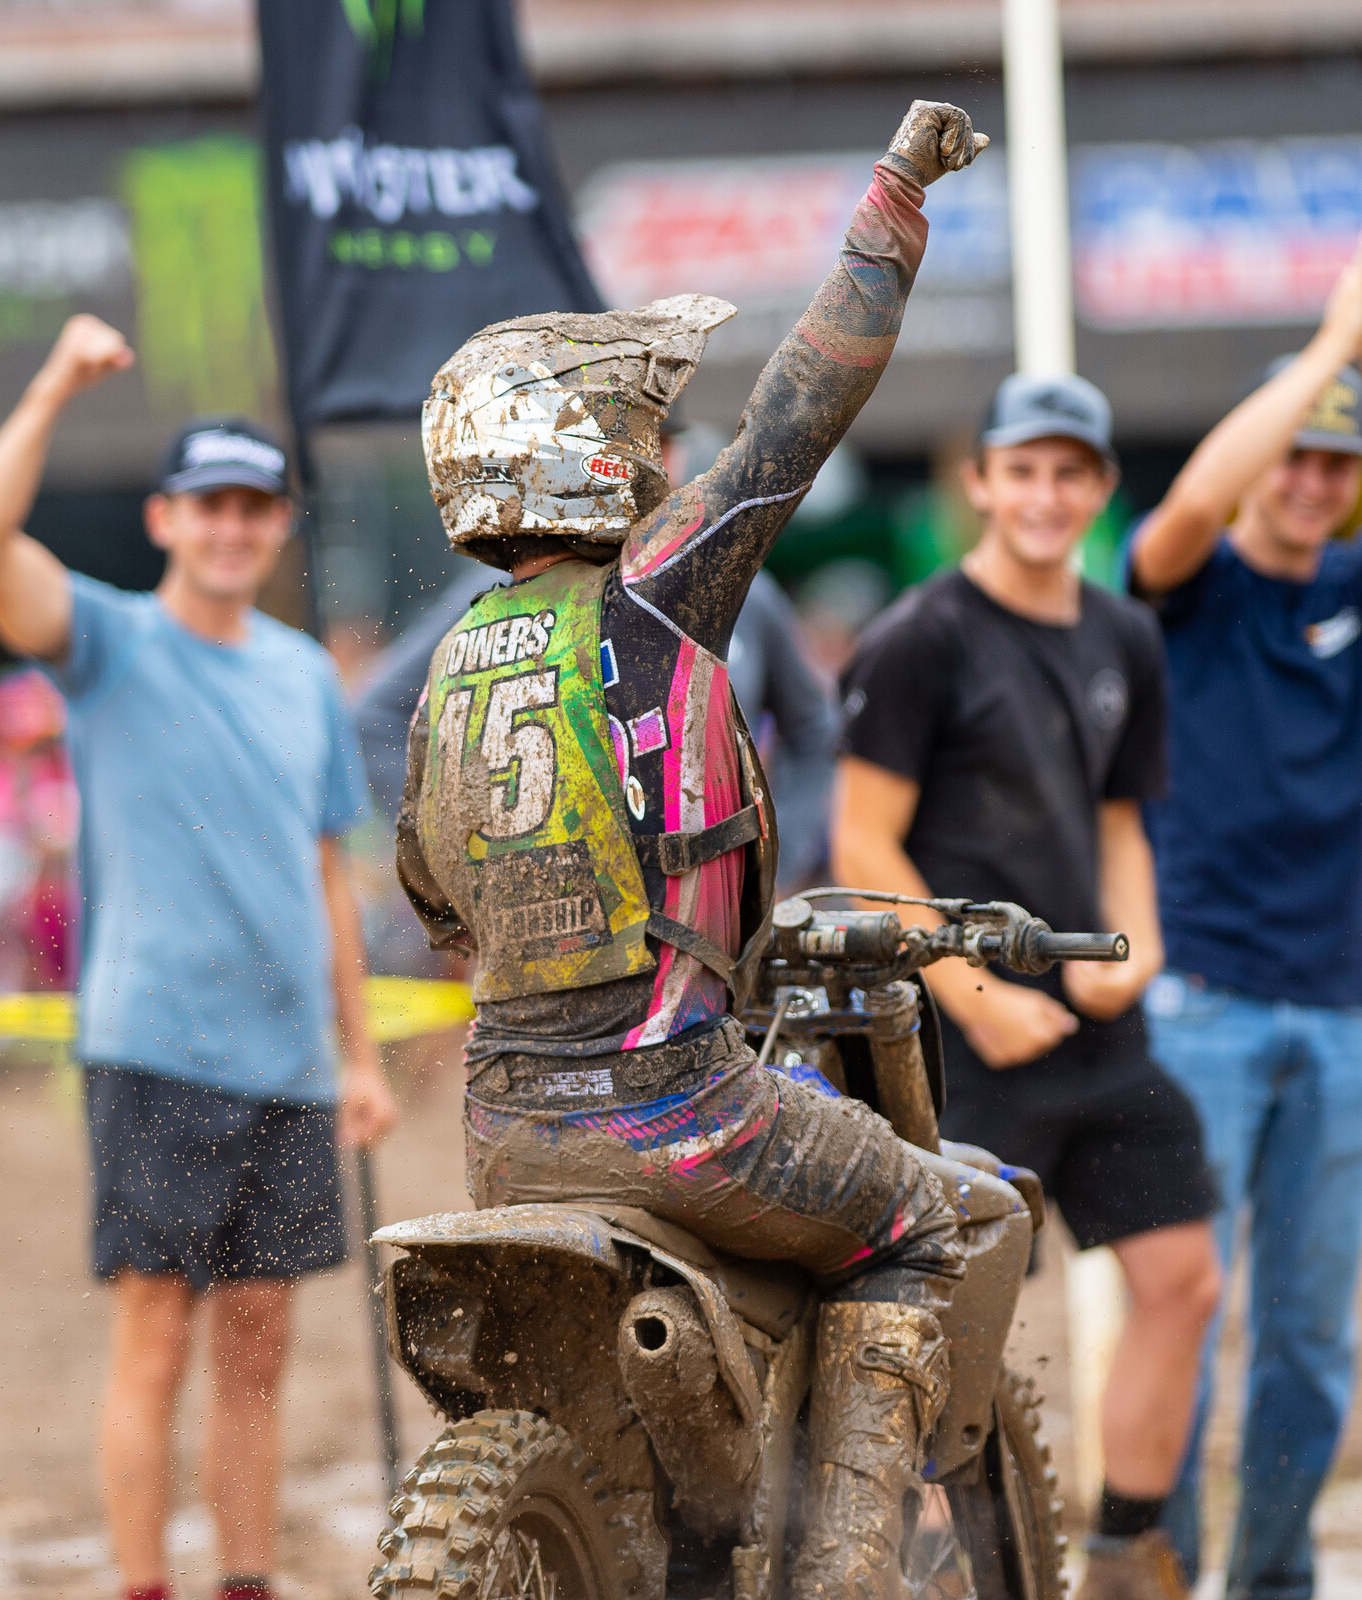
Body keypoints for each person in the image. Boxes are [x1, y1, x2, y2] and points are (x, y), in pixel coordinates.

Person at [394, 100, 987, 1600]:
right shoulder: (654, 595)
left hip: (503, 1124)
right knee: (925, 1217)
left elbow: (431, 892)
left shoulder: (451, 667)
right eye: (647, 434)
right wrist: (897, 202)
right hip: (676, 1105)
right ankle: (852, 1573)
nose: (669, 456)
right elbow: (804, 404)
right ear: (591, 462)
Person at [0, 322, 400, 1600]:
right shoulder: (109, 644)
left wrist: (360, 1056)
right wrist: (52, 385)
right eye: (210, 507)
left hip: (289, 1063)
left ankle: (244, 1582)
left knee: (259, 1346)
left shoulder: (307, 676)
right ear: (165, 519)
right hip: (156, 1048)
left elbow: (326, 875)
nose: (232, 529)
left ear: (277, 526)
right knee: (155, 1339)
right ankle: (148, 1587)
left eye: (255, 508)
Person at [1125, 226, 1362, 1600]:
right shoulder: (1188, 589)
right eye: (1296, 453)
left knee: (1308, 1342)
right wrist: (1327, 354)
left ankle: (1274, 1581)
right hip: (1203, 1004)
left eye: (1337, 463)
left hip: (1340, 1007)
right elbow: (1186, 508)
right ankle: (1159, 1575)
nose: (1309, 480)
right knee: (1182, 1316)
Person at [830, 374, 1222, 1600]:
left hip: (1097, 1026)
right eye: (1025, 470)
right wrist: (975, 996)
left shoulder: (1125, 637)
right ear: (982, 483)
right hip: (951, 1044)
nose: (1047, 495)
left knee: (1185, 1278)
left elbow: (1121, 825)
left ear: (1100, 490)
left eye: (1072, 473)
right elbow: (863, 850)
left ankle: (1123, 1552)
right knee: (952, 1335)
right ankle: (949, 1573)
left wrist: (1136, 947)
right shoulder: (919, 638)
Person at [354, 566, 839, 890]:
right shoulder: (509, 589)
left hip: (706, 921)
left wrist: (777, 861)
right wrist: (460, 858)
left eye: (662, 441)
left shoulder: (732, 585)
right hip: (551, 918)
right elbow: (377, 719)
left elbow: (815, 730)